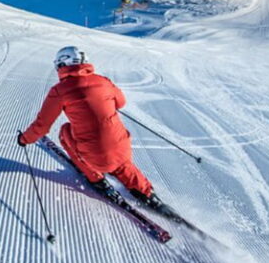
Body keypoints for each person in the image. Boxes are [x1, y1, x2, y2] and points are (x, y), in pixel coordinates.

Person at [18, 46, 163, 209]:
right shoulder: (103, 81)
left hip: (95, 156)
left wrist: (24, 139)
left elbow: (42, 125)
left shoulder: (59, 91)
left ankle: (97, 180)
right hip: (123, 149)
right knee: (118, 156)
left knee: (65, 130)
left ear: (62, 64)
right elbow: (121, 103)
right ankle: (146, 192)